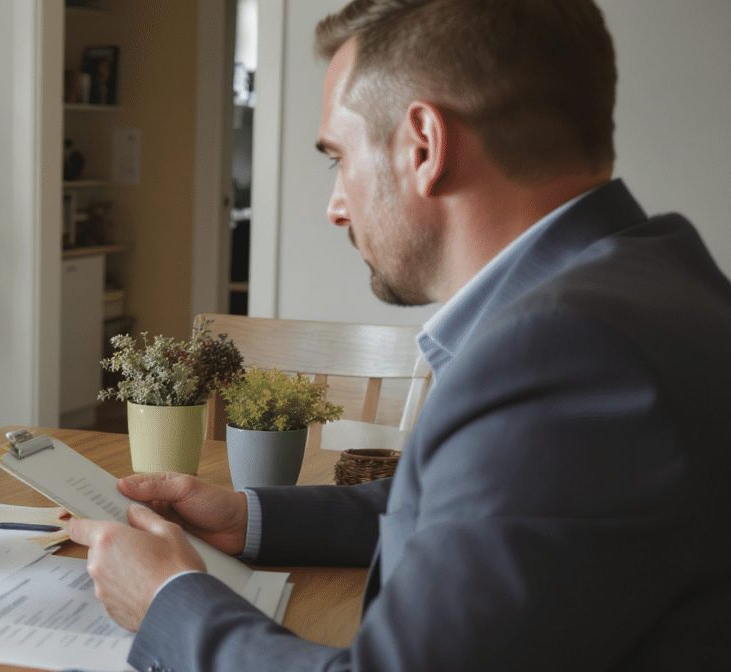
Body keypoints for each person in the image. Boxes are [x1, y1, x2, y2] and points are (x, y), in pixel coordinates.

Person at [68, 0, 731, 669]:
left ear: (423, 146)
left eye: (337, 157)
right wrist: (251, 518)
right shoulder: (655, 282)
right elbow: (469, 508)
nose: (334, 208)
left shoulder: (563, 357)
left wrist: (169, 602)